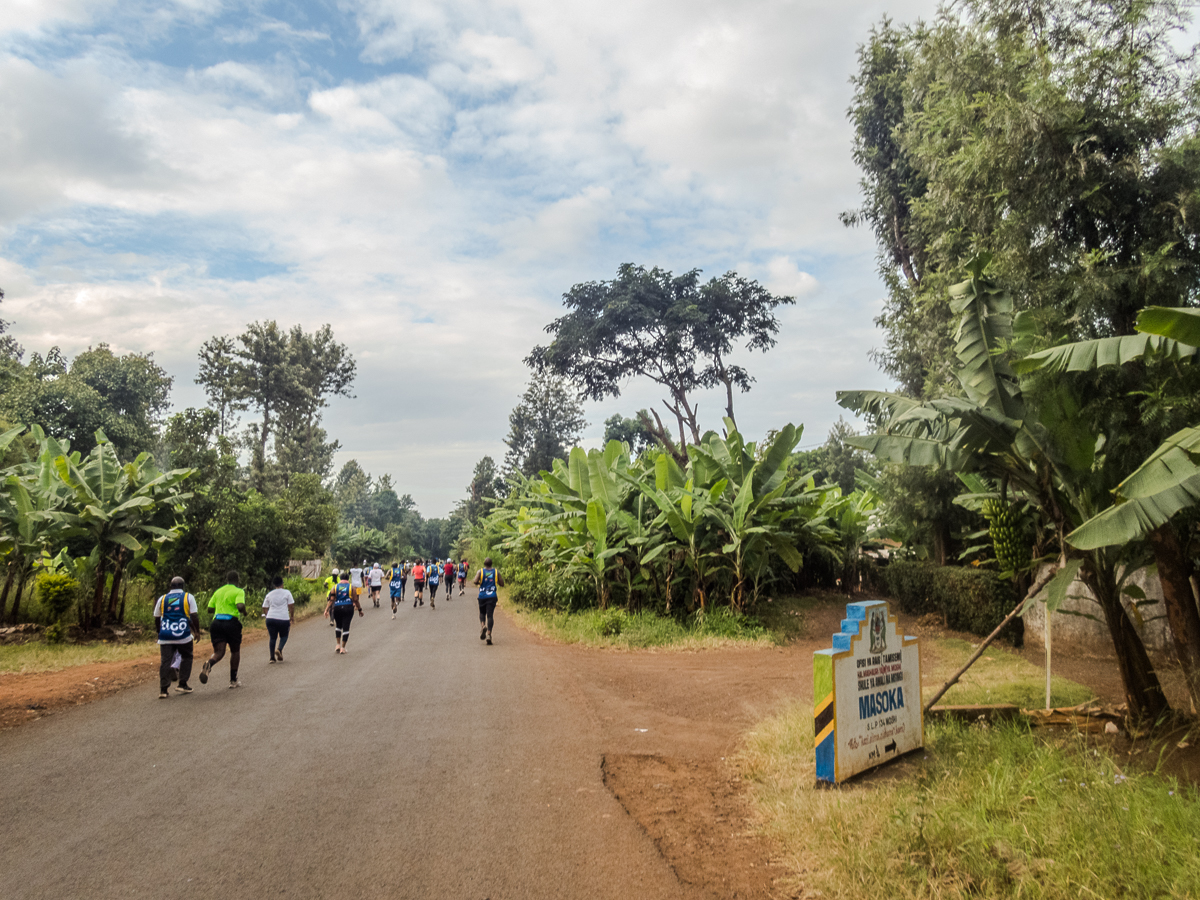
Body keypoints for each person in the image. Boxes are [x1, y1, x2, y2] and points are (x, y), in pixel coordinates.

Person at [154, 576, 200, 699]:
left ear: (170, 586)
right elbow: (193, 616)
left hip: (166, 635)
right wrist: (197, 631)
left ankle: (163, 689)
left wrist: (159, 631)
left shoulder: (162, 599)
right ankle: (182, 683)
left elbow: (157, 617)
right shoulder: (188, 597)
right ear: (183, 586)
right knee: (187, 656)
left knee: (165, 661)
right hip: (183, 635)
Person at [200, 571, 247, 689]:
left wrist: (220, 608)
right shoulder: (238, 591)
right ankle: (233, 680)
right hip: (231, 623)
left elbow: (210, 608)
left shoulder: (218, 591)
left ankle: (209, 663)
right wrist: (244, 612)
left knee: (219, 652)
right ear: (238, 580)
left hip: (216, 623)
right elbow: (240, 606)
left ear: (227, 580)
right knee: (235, 651)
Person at [324, 571, 363, 653]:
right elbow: (355, 600)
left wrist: (326, 609)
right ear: (348, 579)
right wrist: (360, 610)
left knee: (338, 626)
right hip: (348, 608)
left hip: (337, 608)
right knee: (346, 626)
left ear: (340, 579)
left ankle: (337, 644)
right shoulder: (351, 587)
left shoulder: (335, 587)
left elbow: (331, 600)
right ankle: (343, 648)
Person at [262, 575, 295, 662]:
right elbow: (291, 606)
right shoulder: (287, 593)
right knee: (284, 636)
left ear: (274, 585)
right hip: (283, 618)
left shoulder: (269, 594)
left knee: (272, 638)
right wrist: (292, 616)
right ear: (282, 584)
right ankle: (279, 649)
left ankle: (272, 658)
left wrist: (267, 615)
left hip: (271, 618)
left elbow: (264, 607)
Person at [474, 557, 504, 645]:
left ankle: (483, 626)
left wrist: (480, 583)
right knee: (490, 615)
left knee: (482, 613)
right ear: (491, 564)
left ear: (484, 564)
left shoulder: (480, 572)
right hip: (492, 596)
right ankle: (489, 634)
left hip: (482, 596)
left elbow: (475, 581)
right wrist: (496, 582)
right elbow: (502, 583)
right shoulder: (496, 572)